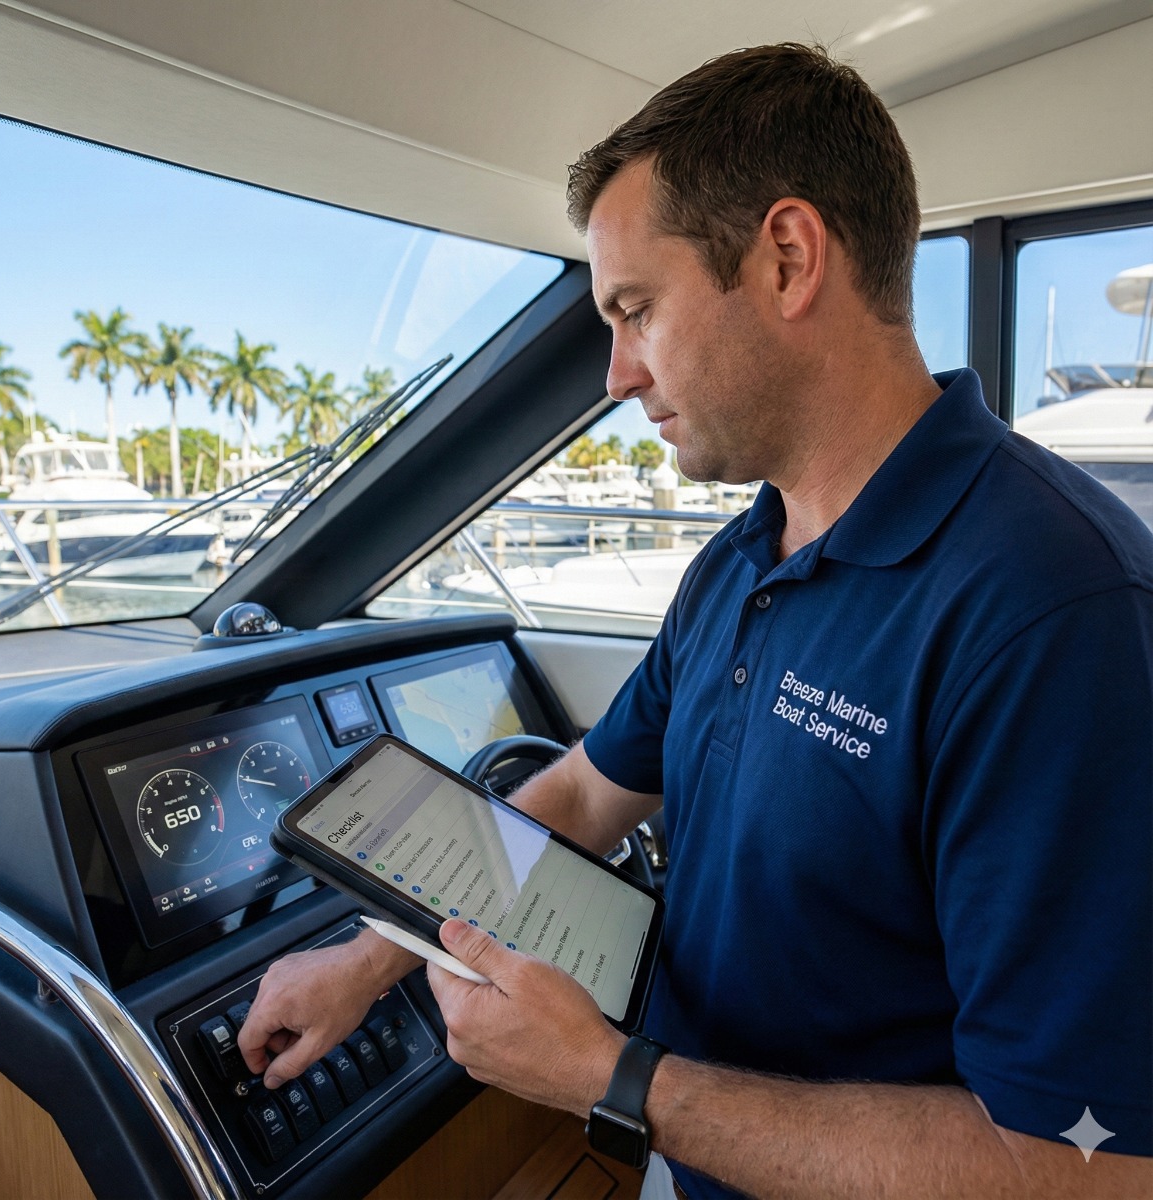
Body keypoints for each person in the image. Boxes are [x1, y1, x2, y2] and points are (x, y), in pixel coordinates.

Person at [240, 44, 1152, 1198]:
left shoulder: (1052, 613)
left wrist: (619, 1083)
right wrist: (371, 959)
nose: (617, 374)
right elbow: (579, 793)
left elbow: (1090, 1172)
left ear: (784, 257)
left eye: (636, 309)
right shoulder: (737, 562)